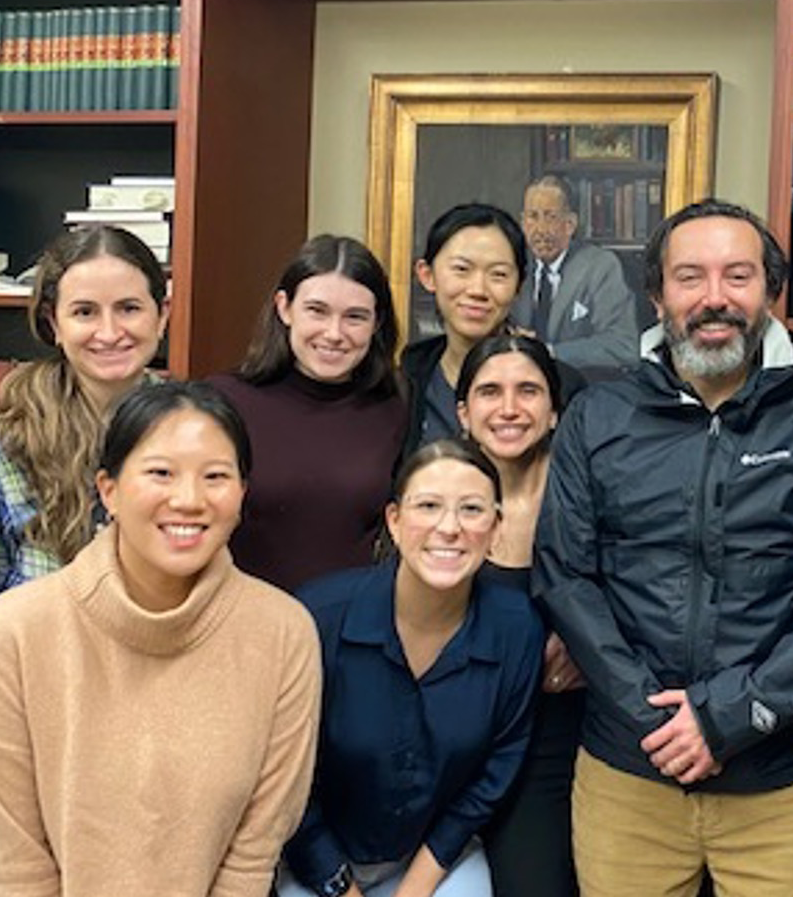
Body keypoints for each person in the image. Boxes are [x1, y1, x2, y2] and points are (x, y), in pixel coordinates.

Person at [534, 199, 793, 897]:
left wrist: (727, 718)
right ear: (658, 294)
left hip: (780, 783)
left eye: (738, 276)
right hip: (630, 777)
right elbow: (567, 578)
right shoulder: (596, 417)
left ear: (768, 292)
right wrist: (658, 719)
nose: (714, 299)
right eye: (690, 277)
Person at [0, 381, 321, 895]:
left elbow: (255, 849)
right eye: (160, 473)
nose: (189, 500)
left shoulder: (283, 634)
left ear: (241, 493)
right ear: (109, 491)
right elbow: (15, 856)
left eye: (215, 476)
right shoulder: (17, 629)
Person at [280, 438, 545, 897]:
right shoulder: (318, 617)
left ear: (496, 528)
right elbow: (287, 777)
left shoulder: (517, 629)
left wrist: (418, 885)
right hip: (316, 858)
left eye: (471, 510)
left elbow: (497, 770)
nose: (449, 528)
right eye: (428, 506)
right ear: (395, 522)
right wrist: (339, 885)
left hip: (435, 857)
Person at [454, 335, 583, 896]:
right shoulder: (439, 497)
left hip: (562, 750)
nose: (509, 408)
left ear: (554, 409)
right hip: (461, 753)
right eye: (490, 392)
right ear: (463, 412)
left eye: (528, 391)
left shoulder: (587, 496)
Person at [209, 234, 407, 591]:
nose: (334, 333)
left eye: (355, 317)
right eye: (317, 311)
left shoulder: (396, 406)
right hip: (247, 625)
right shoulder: (223, 402)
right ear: (284, 308)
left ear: (377, 323)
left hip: (351, 630)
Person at [0, 225, 167, 591]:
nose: (108, 332)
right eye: (85, 312)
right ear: (53, 323)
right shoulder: (9, 431)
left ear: (162, 315)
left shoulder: (192, 427)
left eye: (128, 308)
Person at [403, 204, 528, 455]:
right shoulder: (406, 381)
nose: (477, 290)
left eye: (499, 274)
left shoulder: (556, 387)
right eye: (461, 269)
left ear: (519, 285)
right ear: (427, 275)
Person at [511, 175, 639, 379]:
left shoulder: (600, 266)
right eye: (532, 217)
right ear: (523, 223)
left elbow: (622, 346)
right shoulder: (514, 265)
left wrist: (550, 352)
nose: (540, 229)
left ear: (570, 224)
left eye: (550, 217)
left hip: (579, 388)